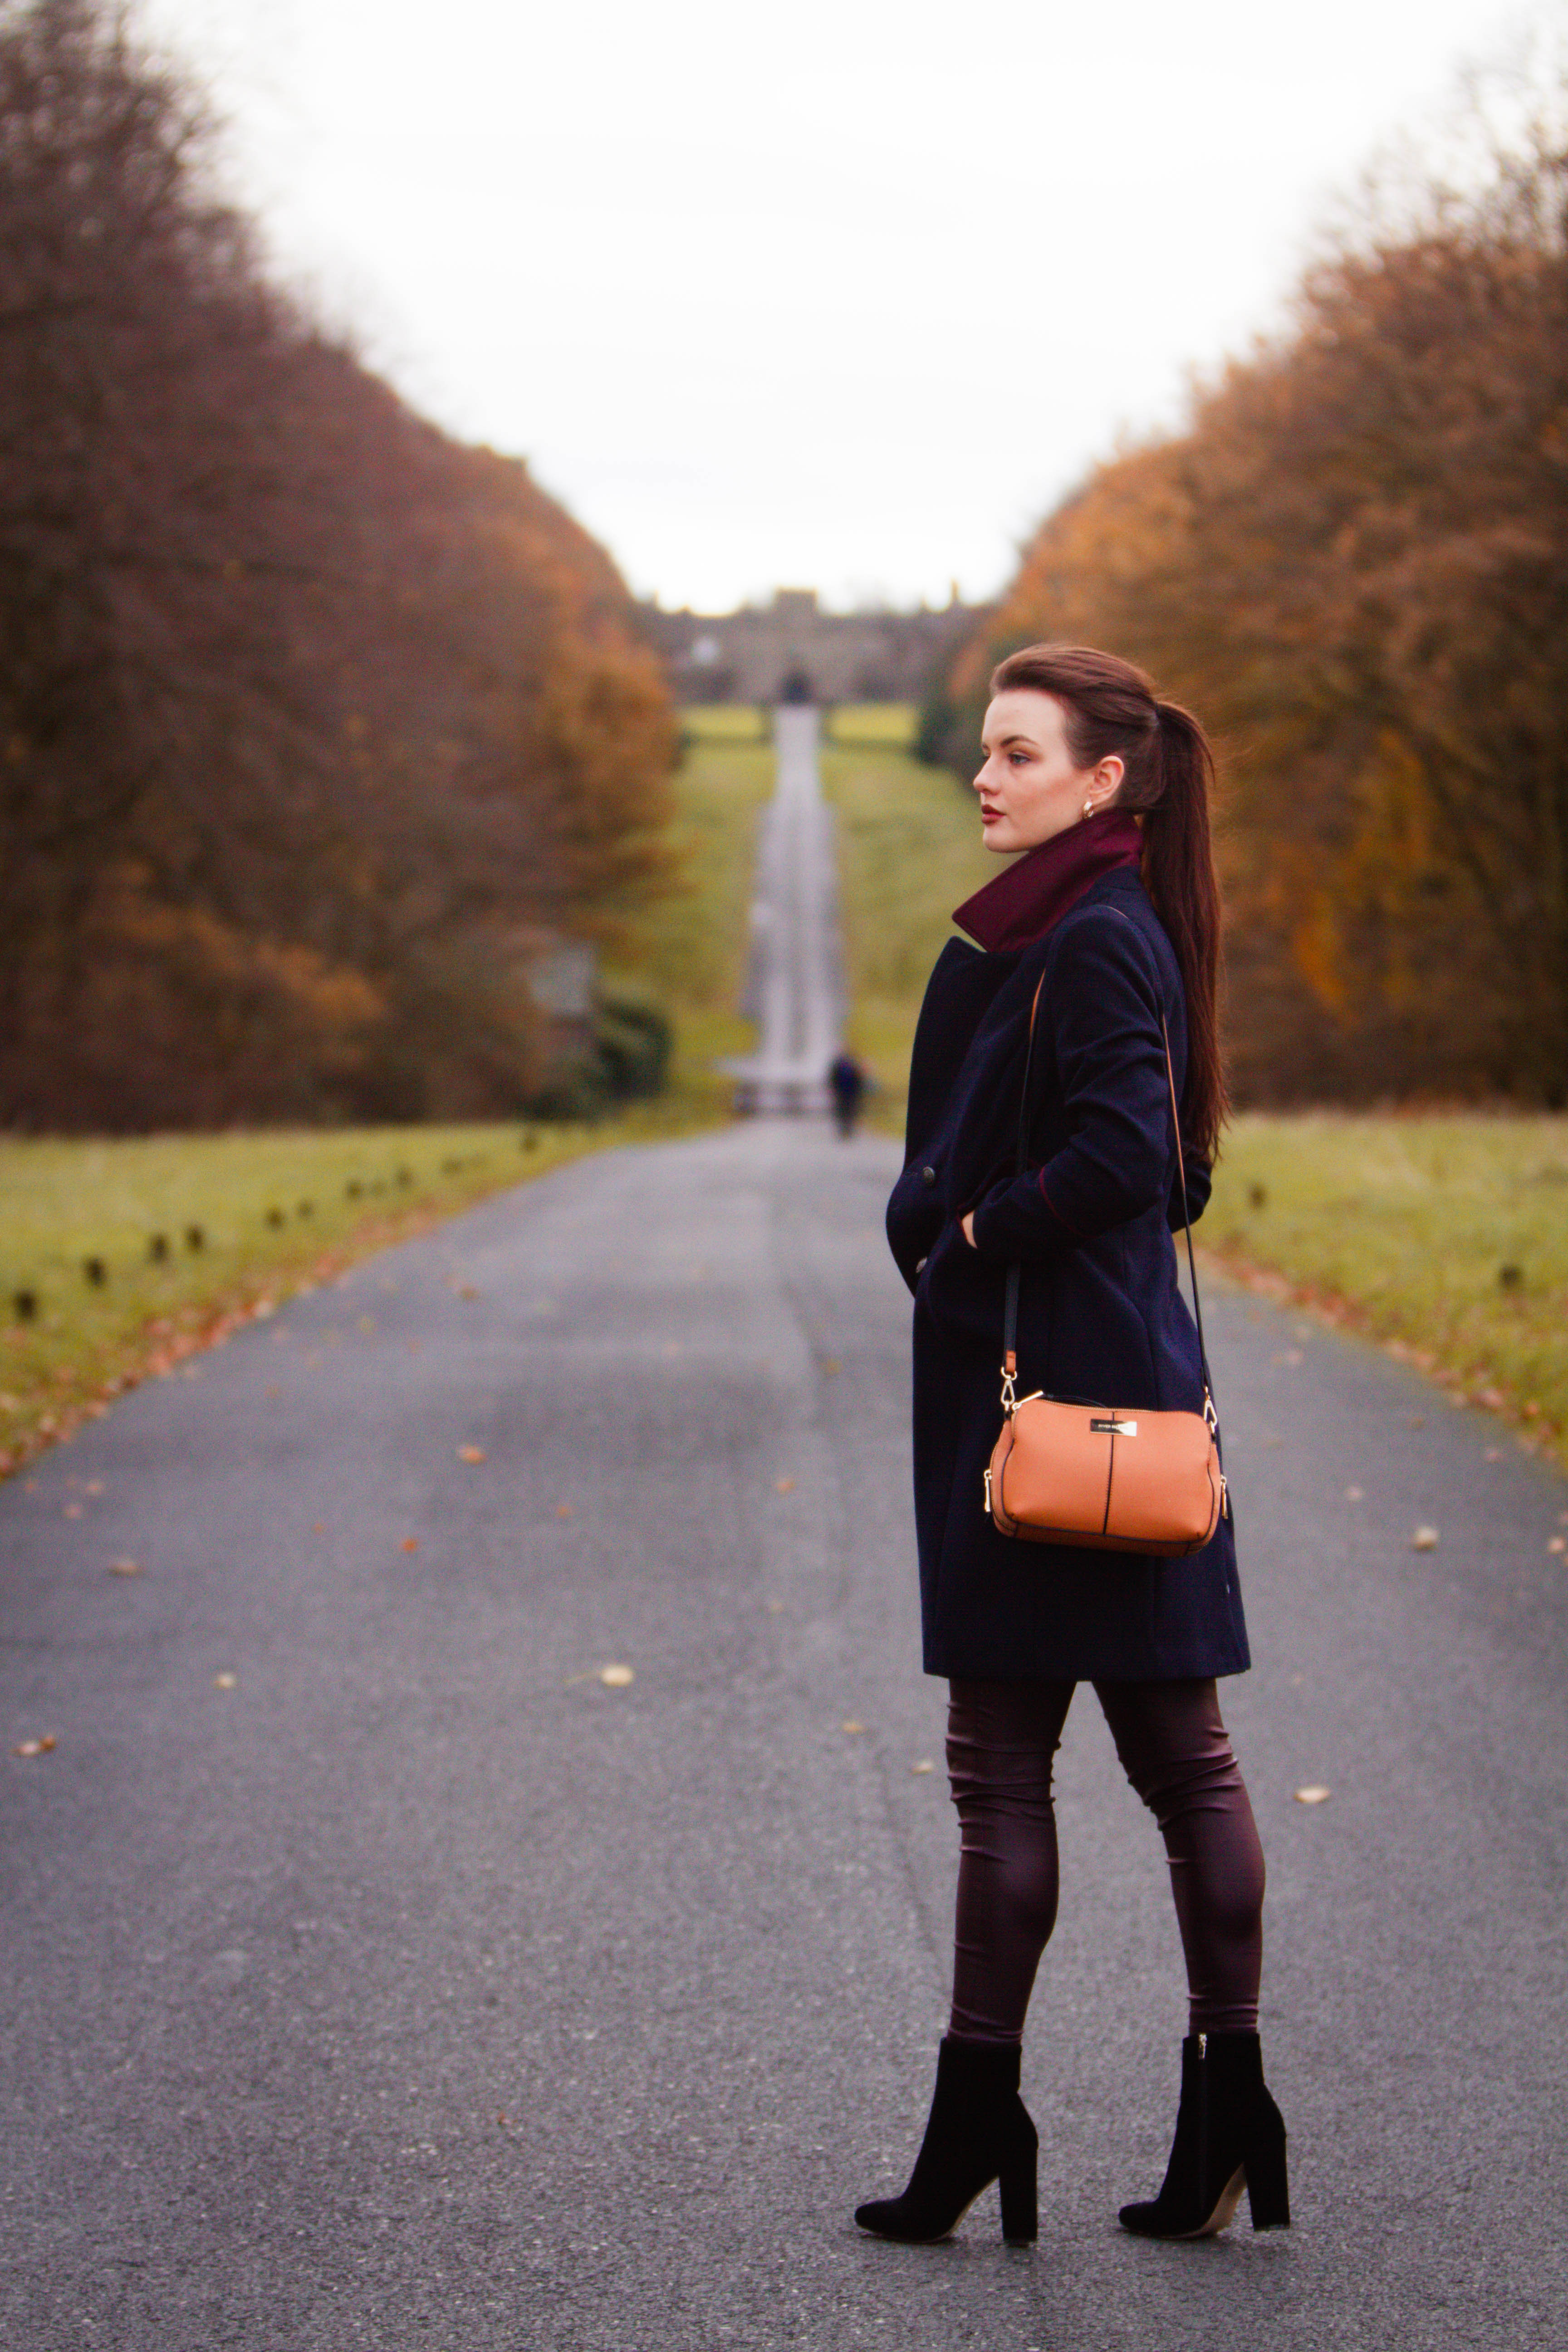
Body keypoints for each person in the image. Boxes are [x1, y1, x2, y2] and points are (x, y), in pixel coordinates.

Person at [857, 644, 1288, 2247]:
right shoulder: (1099, 922)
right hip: (1122, 1400)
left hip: (1044, 1414)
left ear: (1103, 781)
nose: (985, 775)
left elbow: (1128, 1158)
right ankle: (1223, 2107)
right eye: (985, 749)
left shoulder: (1092, 934)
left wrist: (973, 1230)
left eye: (1017, 753)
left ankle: (984, 2120)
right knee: (1179, 1766)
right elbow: (1175, 1163)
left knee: (1010, 1774)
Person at [828, 1049, 867, 1137]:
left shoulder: (839, 1066)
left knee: (844, 1111)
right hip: (850, 1093)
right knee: (849, 1111)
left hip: (843, 1092)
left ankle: (845, 1128)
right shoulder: (854, 1066)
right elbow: (859, 1080)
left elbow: (834, 1079)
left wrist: (835, 1089)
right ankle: (847, 1128)